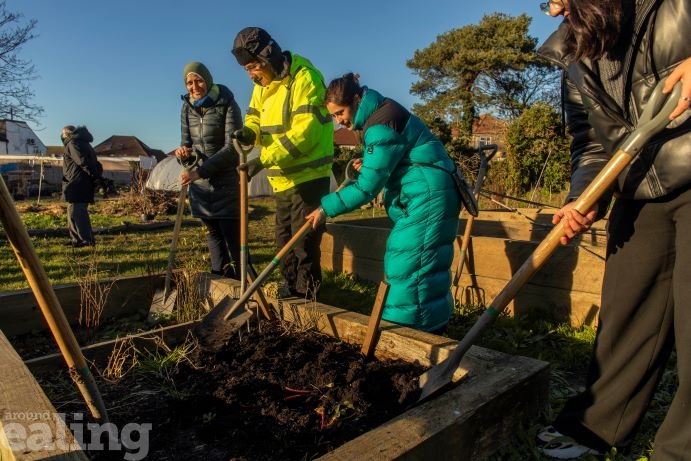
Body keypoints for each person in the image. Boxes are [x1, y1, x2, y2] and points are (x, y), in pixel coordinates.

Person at [536, 0, 691, 458]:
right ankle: (597, 427)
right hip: (643, 183)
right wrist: (581, 200)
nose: (551, 10)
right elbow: (590, 143)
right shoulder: (576, 51)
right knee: (625, 314)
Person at [306, 73, 474, 333]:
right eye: (334, 117)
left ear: (356, 99)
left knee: (410, 266)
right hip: (429, 194)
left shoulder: (381, 124)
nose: (339, 121)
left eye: (340, 113)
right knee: (422, 264)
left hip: (427, 197)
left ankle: (414, 333)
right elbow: (396, 162)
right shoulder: (381, 115)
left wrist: (325, 207)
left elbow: (366, 188)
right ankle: (429, 326)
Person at [231, 27, 334, 298]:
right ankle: (290, 290)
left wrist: (262, 160)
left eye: (254, 67)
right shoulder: (261, 85)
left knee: (304, 243)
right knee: (283, 241)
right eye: (247, 70)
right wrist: (249, 132)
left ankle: (308, 298)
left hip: (310, 176)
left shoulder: (305, 78)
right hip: (283, 179)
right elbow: (254, 116)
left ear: (269, 58)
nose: (252, 74)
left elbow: (306, 133)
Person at [175, 61, 244, 279]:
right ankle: (221, 284)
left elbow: (232, 149)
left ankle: (248, 287)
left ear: (208, 79)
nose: (194, 87)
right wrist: (183, 154)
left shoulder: (227, 103)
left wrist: (200, 171)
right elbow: (187, 143)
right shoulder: (187, 107)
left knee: (233, 239)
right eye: (189, 82)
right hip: (201, 187)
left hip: (225, 182)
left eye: (198, 80)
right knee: (213, 236)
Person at [61, 125, 101, 247]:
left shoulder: (73, 143)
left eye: (62, 134)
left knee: (78, 212)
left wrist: (93, 175)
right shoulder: (84, 143)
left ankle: (86, 240)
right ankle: (77, 239)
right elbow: (95, 162)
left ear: (66, 134)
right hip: (80, 182)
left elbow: (82, 161)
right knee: (73, 211)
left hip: (77, 182)